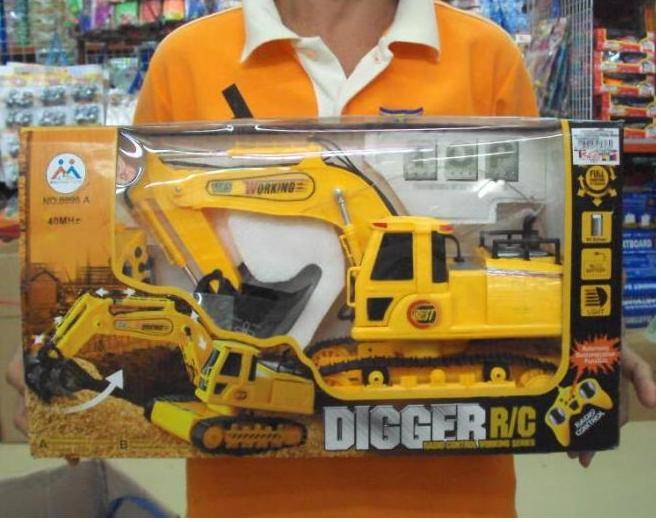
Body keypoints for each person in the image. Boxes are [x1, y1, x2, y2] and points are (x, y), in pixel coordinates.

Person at [7, 0, 656, 517]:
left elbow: (551, 213)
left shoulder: (484, 56)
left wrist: (585, 340)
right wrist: (55, 343)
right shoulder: (188, 60)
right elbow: (145, 219)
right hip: (248, 502)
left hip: (453, 502)